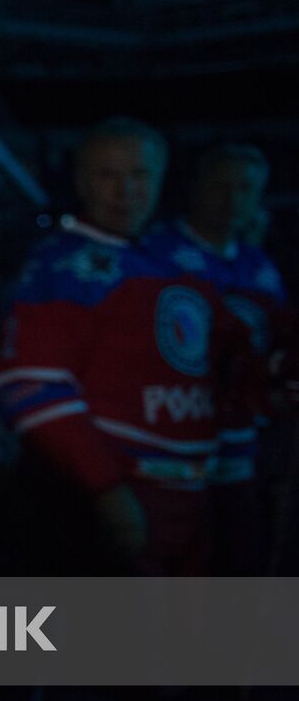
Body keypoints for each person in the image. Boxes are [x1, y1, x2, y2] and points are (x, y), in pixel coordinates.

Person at [0, 118, 237, 576]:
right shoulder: (60, 266)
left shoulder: (177, 262)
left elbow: (226, 361)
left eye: (139, 175)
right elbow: (28, 386)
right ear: (82, 181)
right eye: (107, 175)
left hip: (192, 497)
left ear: (161, 178)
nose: (125, 191)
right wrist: (107, 489)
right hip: (113, 504)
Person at [147, 143, 289, 573]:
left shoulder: (260, 267)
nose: (232, 199)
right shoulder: (156, 253)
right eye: (220, 186)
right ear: (197, 188)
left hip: (240, 452)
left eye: (244, 189)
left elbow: (275, 349)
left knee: (239, 564)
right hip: (164, 452)